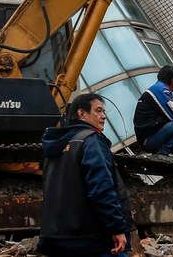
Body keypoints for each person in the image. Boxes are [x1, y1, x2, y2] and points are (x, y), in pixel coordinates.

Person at [40, 93, 135, 257]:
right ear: (81, 114)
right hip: (91, 239)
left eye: (104, 111)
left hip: (56, 237)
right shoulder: (91, 140)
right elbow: (101, 189)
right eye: (98, 110)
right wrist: (117, 228)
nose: (104, 116)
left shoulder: (56, 144)